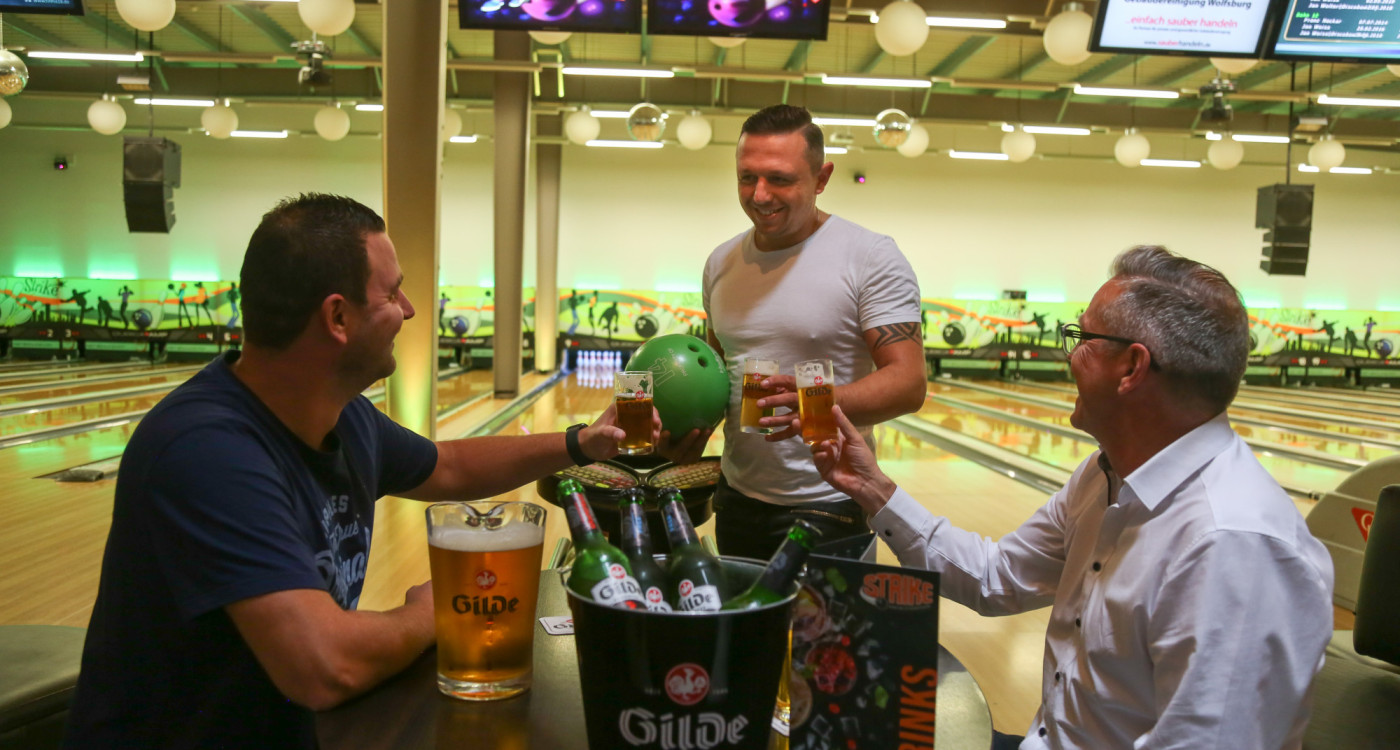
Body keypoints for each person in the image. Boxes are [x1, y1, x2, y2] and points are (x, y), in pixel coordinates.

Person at [64, 194, 648, 748]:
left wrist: (583, 443)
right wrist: (438, 609)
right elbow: (327, 665)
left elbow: (445, 465)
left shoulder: (346, 419)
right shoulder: (207, 452)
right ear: (338, 317)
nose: (412, 310)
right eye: (394, 293)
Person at [810, 245, 1335, 750]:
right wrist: (873, 490)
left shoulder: (1234, 547)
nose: (1068, 355)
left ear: (1131, 368)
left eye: (1080, 337)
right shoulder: (1105, 475)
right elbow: (997, 578)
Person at [695, 104, 925, 559]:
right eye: (747, 177)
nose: (760, 195)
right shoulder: (721, 263)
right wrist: (686, 428)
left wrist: (812, 401)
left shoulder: (870, 257)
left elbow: (908, 383)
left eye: (779, 179)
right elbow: (719, 372)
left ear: (821, 179)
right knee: (749, 632)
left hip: (832, 504)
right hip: (738, 499)